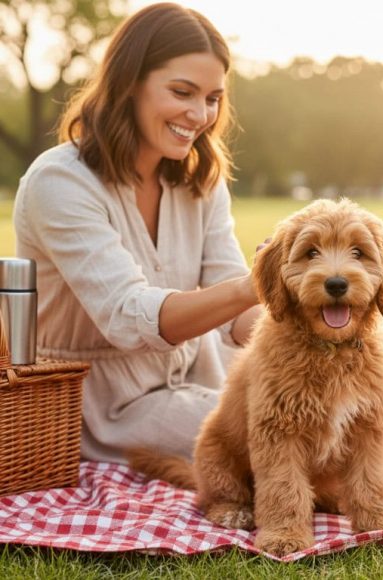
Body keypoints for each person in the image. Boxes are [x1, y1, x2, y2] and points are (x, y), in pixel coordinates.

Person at [13, 3, 262, 463]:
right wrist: (252, 286)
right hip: (101, 405)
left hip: (200, 377)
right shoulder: (59, 182)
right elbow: (128, 318)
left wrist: (297, 315)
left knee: (330, 413)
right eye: (182, 92)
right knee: (287, 437)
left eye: (212, 98)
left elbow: (236, 314)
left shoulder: (201, 181)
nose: (200, 114)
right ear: (129, 83)